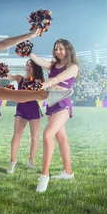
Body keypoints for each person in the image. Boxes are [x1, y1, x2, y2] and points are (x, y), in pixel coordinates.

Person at [29, 39, 79, 193]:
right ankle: (68, 173)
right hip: (51, 104)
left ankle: (44, 176)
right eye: (56, 48)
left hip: (63, 103)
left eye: (62, 49)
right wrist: (28, 53)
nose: (58, 51)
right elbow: (41, 61)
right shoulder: (53, 64)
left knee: (47, 135)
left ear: (68, 50)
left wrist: (37, 87)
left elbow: (56, 79)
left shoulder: (72, 67)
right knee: (61, 139)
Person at [4, 60, 45, 174]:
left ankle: (31, 160)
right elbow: (9, 76)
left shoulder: (39, 81)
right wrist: (0, 72)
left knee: (34, 137)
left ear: (35, 68)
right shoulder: (20, 78)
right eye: (27, 65)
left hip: (33, 110)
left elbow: (41, 94)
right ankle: (12, 161)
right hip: (21, 109)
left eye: (31, 66)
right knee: (16, 135)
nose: (28, 67)